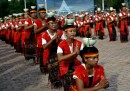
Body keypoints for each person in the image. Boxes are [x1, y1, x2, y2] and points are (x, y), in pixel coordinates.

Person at [57, 24, 84, 91]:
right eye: (70, 31)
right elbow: (60, 58)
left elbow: (84, 56)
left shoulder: (79, 43)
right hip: (65, 66)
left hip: (76, 64)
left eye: (74, 31)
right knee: (69, 85)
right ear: (65, 33)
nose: (73, 33)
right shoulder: (61, 44)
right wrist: (74, 53)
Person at [42, 16, 65, 88]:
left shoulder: (60, 32)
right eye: (51, 23)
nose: (54, 25)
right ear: (48, 25)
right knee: (52, 66)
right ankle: (53, 80)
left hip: (59, 51)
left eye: (55, 23)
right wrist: (53, 39)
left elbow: (65, 42)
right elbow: (44, 46)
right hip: (49, 53)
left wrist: (60, 40)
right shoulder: (44, 34)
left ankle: (61, 80)